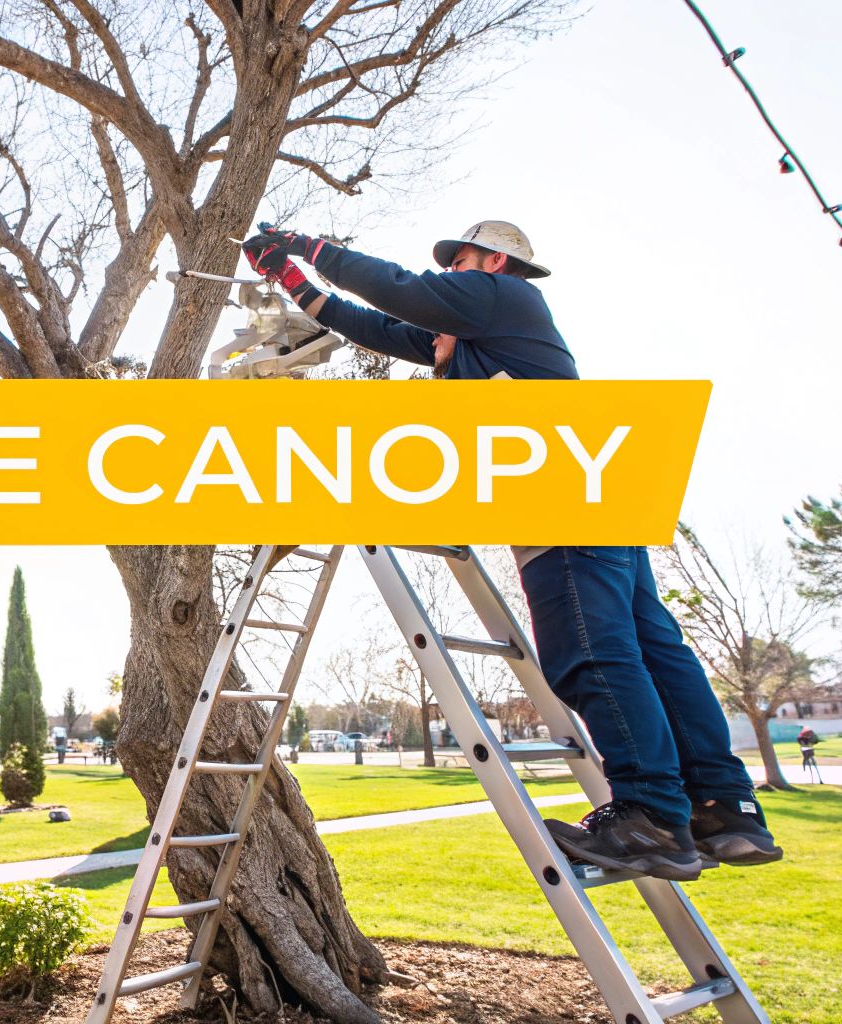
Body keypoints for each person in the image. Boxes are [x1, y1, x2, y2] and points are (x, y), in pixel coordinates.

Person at [241, 221, 783, 881]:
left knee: (590, 651)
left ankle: (650, 814)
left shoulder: (501, 298)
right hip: (601, 493)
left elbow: (402, 292)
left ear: (495, 262)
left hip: (563, 501)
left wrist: (307, 245)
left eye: (461, 266)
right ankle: (721, 806)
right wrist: (291, 279)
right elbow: (378, 326)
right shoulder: (478, 336)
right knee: (653, 652)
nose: (449, 282)